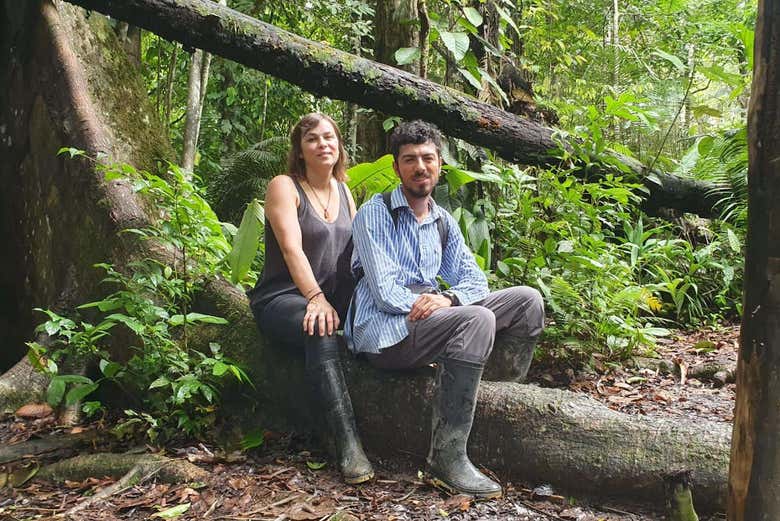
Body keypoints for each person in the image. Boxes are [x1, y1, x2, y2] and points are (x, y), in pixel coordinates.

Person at [346, 120, 544, 498]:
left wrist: (448, 300)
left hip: (434, 315)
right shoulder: (376, 213)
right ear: (396, 167)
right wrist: (440, 307)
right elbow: (386, 292)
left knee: (527, 301)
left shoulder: (441, 219)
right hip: (387, 331)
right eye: (410, 160)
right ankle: (446, 458)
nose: (420, 166)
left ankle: (489, 390)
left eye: (427, 158)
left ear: (439, 163)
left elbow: (475, 280)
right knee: (477, 318)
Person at [247, 113, 374, 484]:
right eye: (313, 139)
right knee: (320, 327)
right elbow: (291, 249)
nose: (324, 144)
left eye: (329, 137)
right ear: (300, 151)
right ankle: (347, 445)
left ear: (339, 145)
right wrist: (315, 297)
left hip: (331, 298)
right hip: (282, 297)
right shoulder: (284, 186)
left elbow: (357, 254)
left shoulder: (345, 191)